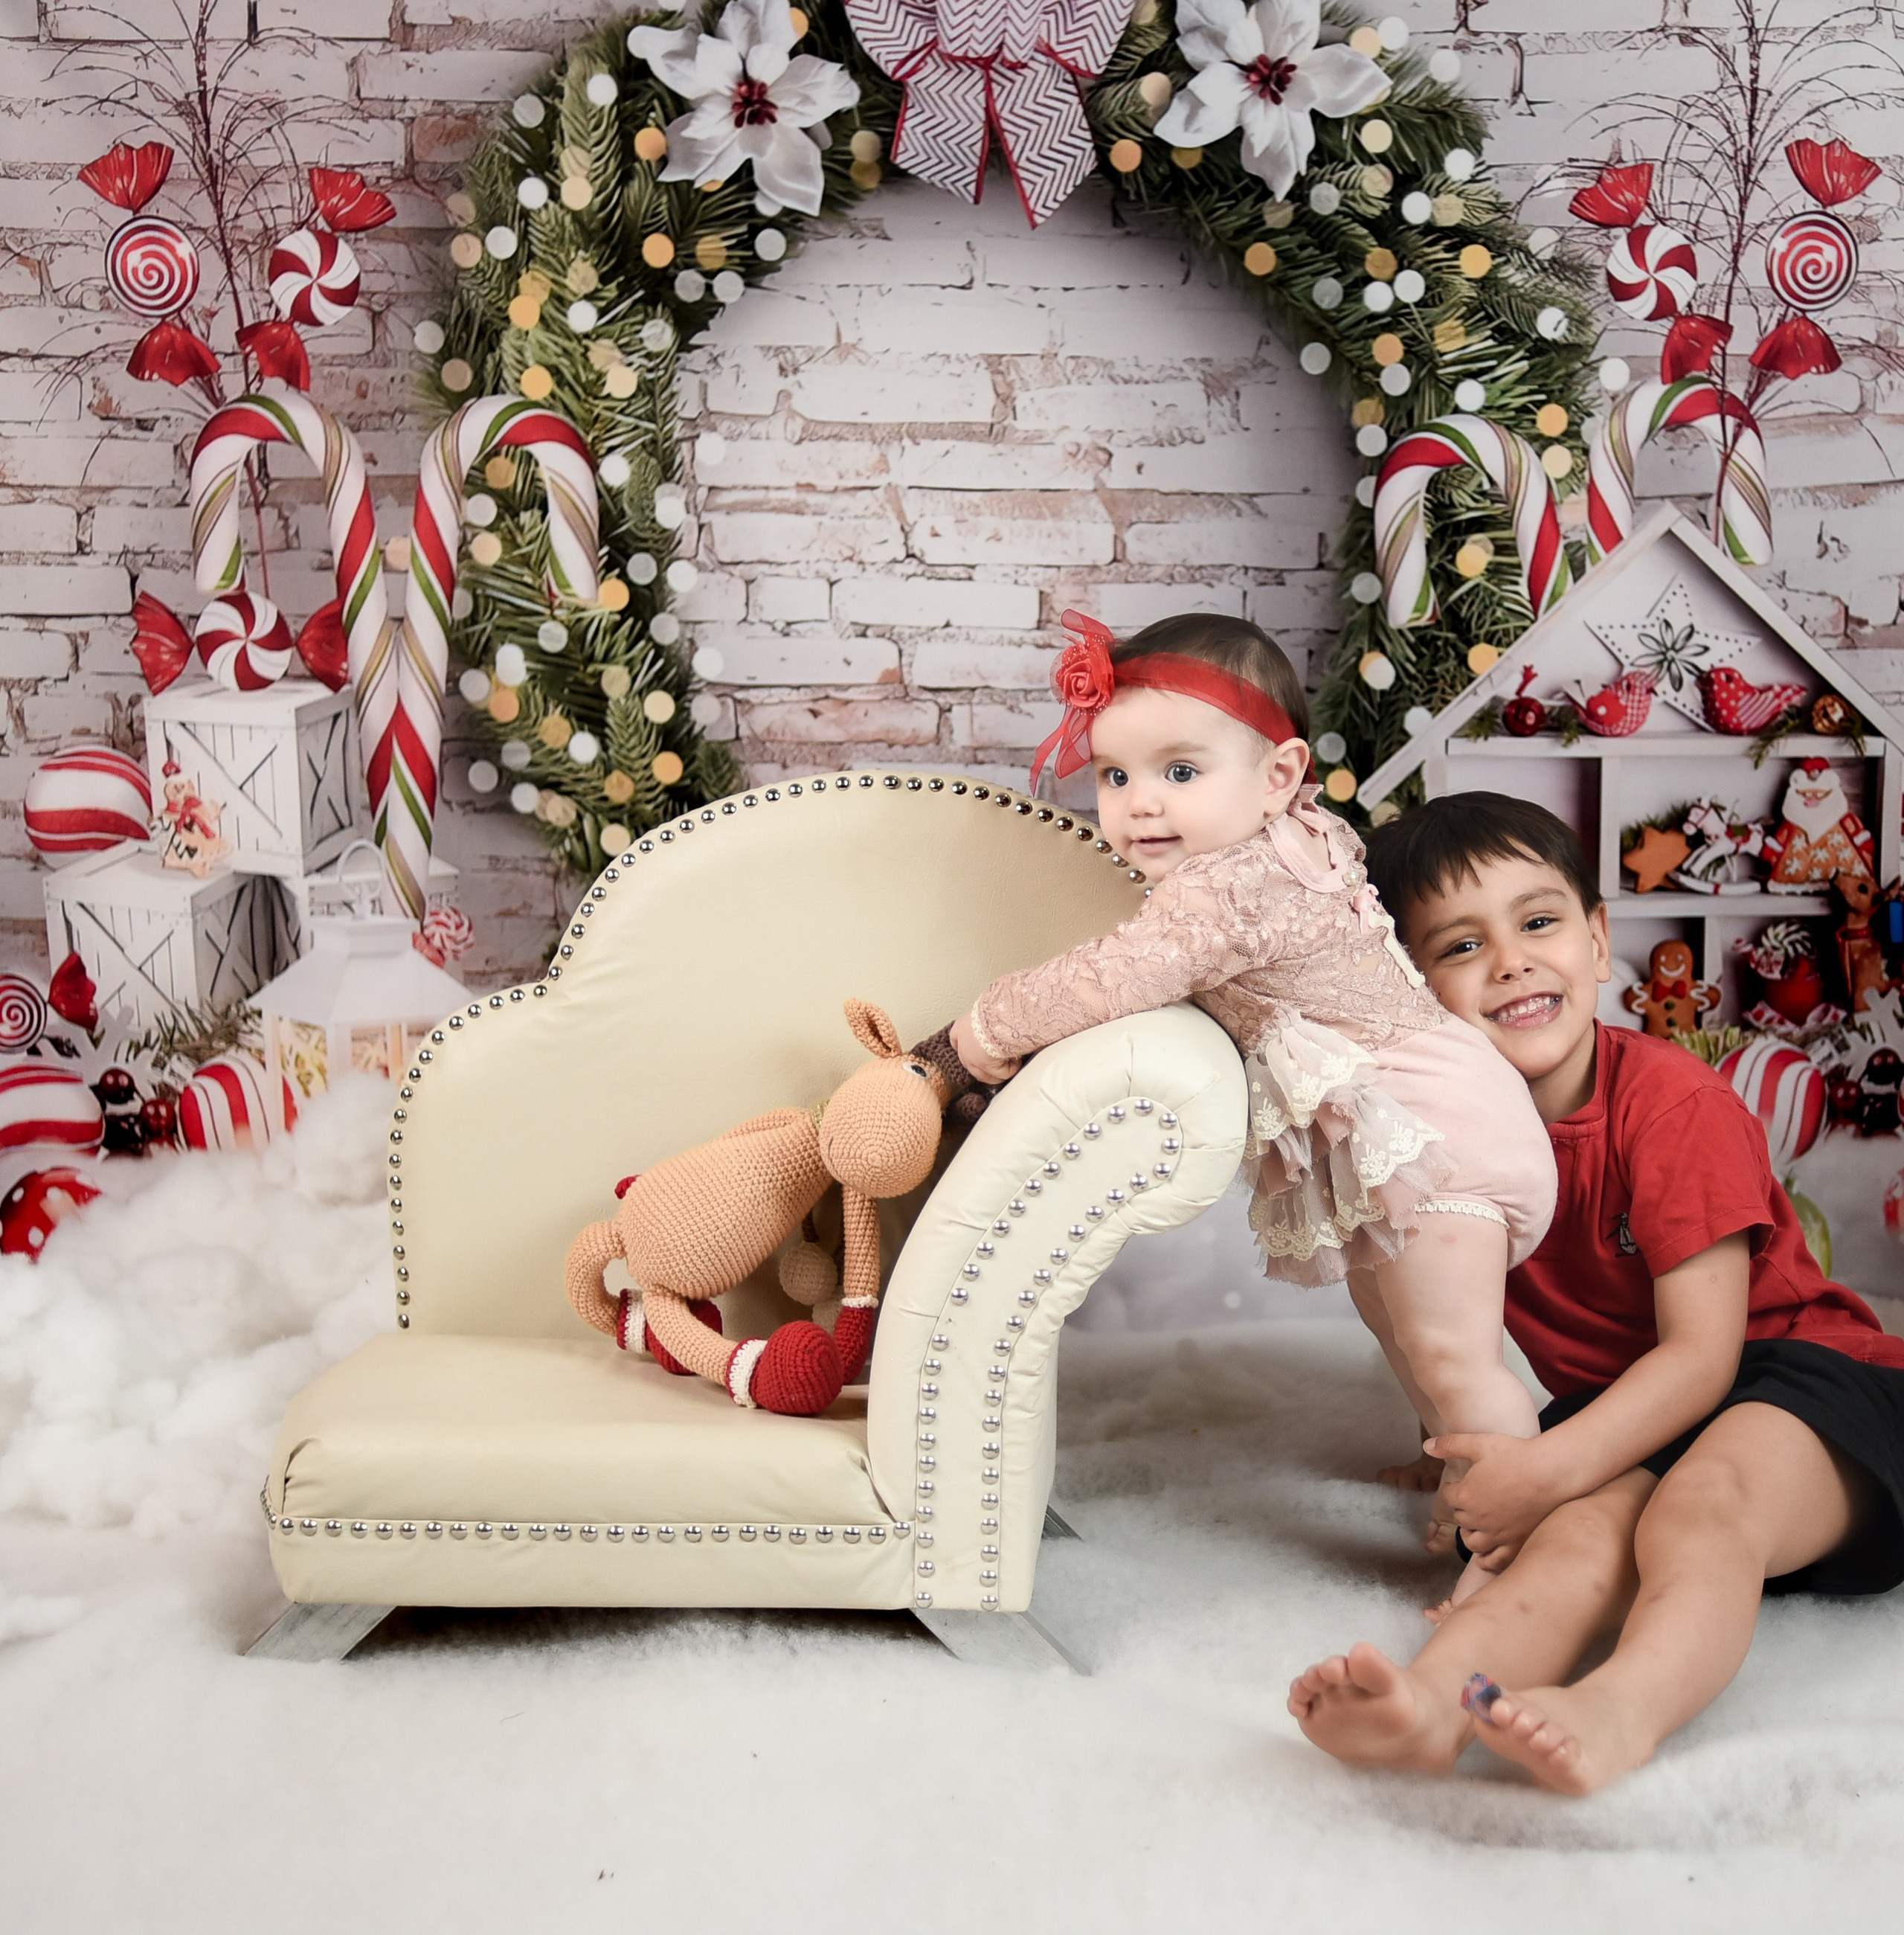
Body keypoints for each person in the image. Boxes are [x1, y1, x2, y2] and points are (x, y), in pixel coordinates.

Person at [1287, 792, 1904, 1794]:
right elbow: (1415, 1304)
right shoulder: (1434, 1143)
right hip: (1635, 1411)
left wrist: (1544, 1467)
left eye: (1538, 922)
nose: (1511, 961)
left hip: (1806, 1381)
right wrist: (1455, 1447)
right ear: (1410, 991)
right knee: (1573, 1539)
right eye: (1461, 946)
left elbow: (1703, 1357)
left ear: (1599, 939)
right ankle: (1433, 1704)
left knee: (1701, 1506)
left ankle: (1623, 1710)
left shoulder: (1670, 1104)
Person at [949, 614, 1557, 1581]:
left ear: (1279, 776)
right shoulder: (1288, 839)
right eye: (1114, 775)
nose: (1141, 804)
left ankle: (1520, 1548)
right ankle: (1453, 1458)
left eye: (1180, 771)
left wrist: (971, 1040)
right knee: (1393, 1315)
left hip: (1434, 1135)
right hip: (1423, 1114)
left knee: (1454, 1354)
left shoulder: (1229, 890)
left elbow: (1110, 977)